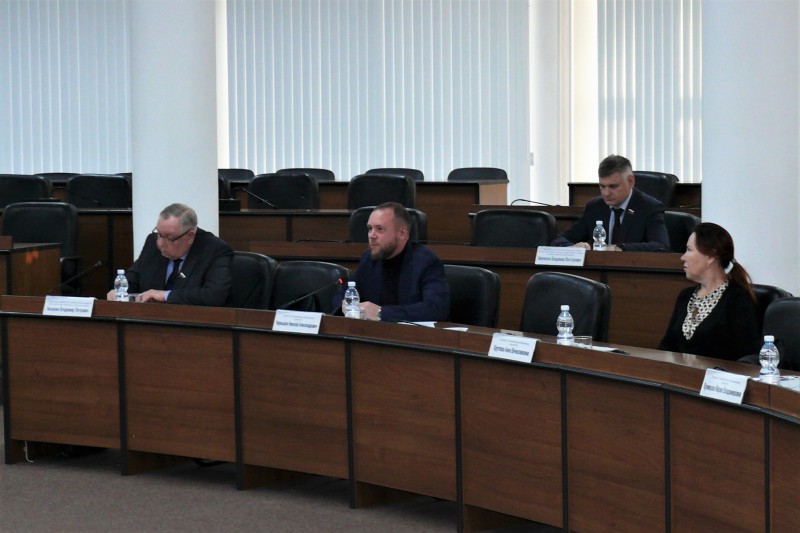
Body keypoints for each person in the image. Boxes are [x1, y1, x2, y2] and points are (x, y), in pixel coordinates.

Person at [658, 222, 761, 360]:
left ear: (711, 256)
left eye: (689, 250)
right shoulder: (685, 296)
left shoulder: (737, 299)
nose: (683, 257)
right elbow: (667, 346)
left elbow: (744, 356)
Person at [332, 202, 450, 322]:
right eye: (370, 229)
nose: (372, 235)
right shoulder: (368, 258)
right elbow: (343, 294)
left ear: (402, 233)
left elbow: (436, 309)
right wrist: (345, 307)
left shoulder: (426, 262)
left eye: (380, 229)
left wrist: (381, 313)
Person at [106, 203, 233, 306]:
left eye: (168, 238)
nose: (161, 243)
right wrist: (119, 292)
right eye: (159, 234)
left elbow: (214, 295)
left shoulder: (215, 250)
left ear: (190, 236)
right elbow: (133, 278)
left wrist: (164, 295)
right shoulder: (152, 243)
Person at [550, 154, 670, 252]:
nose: (606, 193)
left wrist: (620, 249)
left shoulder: (649, 207)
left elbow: (661, 246)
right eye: (602, 186)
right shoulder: (595, 207)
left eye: (613, 186)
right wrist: (572, 247)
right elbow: (559, 240)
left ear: (630, 181)